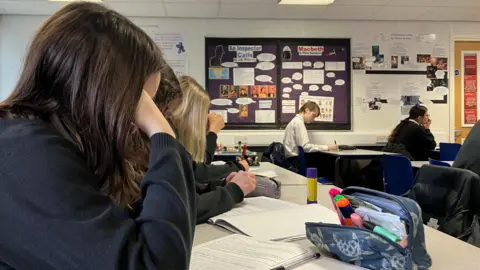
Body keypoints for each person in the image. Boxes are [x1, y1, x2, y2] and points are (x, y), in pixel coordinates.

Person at [0, 2, 196, 269]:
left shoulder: (46, 141)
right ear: (105, 98)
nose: (137, 126)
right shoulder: (24, 154)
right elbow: (154, 263)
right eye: (140, 109)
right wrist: (162, 132)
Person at [171, 76, 256, 223]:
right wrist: (233, 190)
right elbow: (183, 207)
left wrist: (222, 185)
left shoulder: (173, 146)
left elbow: (190, 181)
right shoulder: (164, 146)